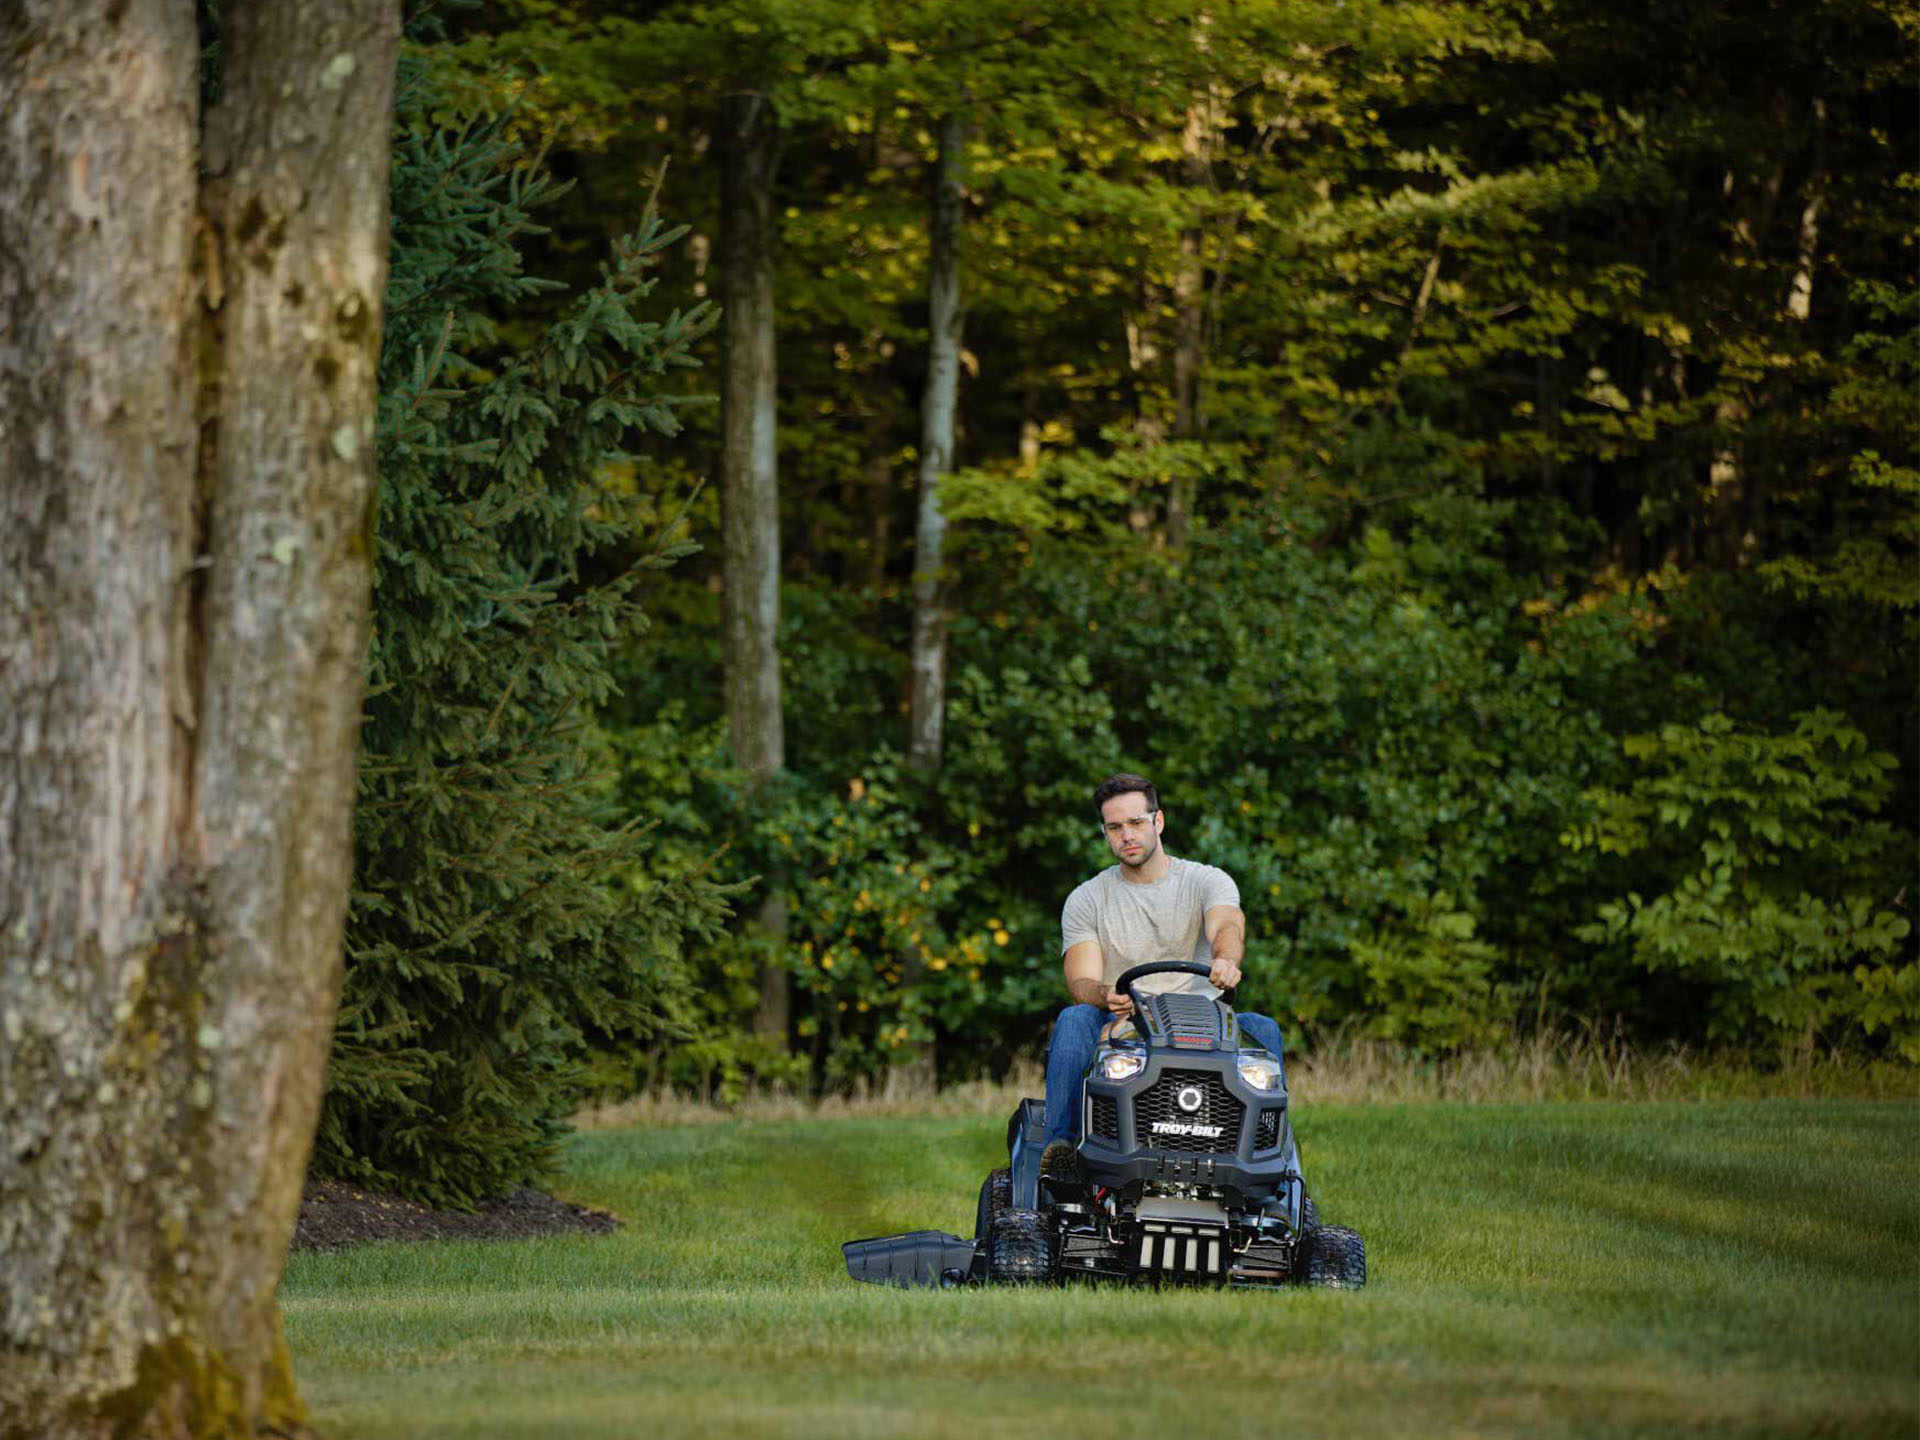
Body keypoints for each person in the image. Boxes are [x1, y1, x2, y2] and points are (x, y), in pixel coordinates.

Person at [1041, 772, 1288, 1155]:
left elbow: (1226, 925)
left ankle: (1265, 1158)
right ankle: (1062, 1149)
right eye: (1115, 827)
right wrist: (1106, 995)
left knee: (1263, 1030)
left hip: (1201, 1020)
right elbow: (1081, 981)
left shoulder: (1207, 881)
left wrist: (1225, 960)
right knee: (1075, 1020)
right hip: (1123, 1020)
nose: (1127, 835)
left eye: (1136, 823)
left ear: (1158, 821)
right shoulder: (1087, 899)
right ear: (1105, 832)